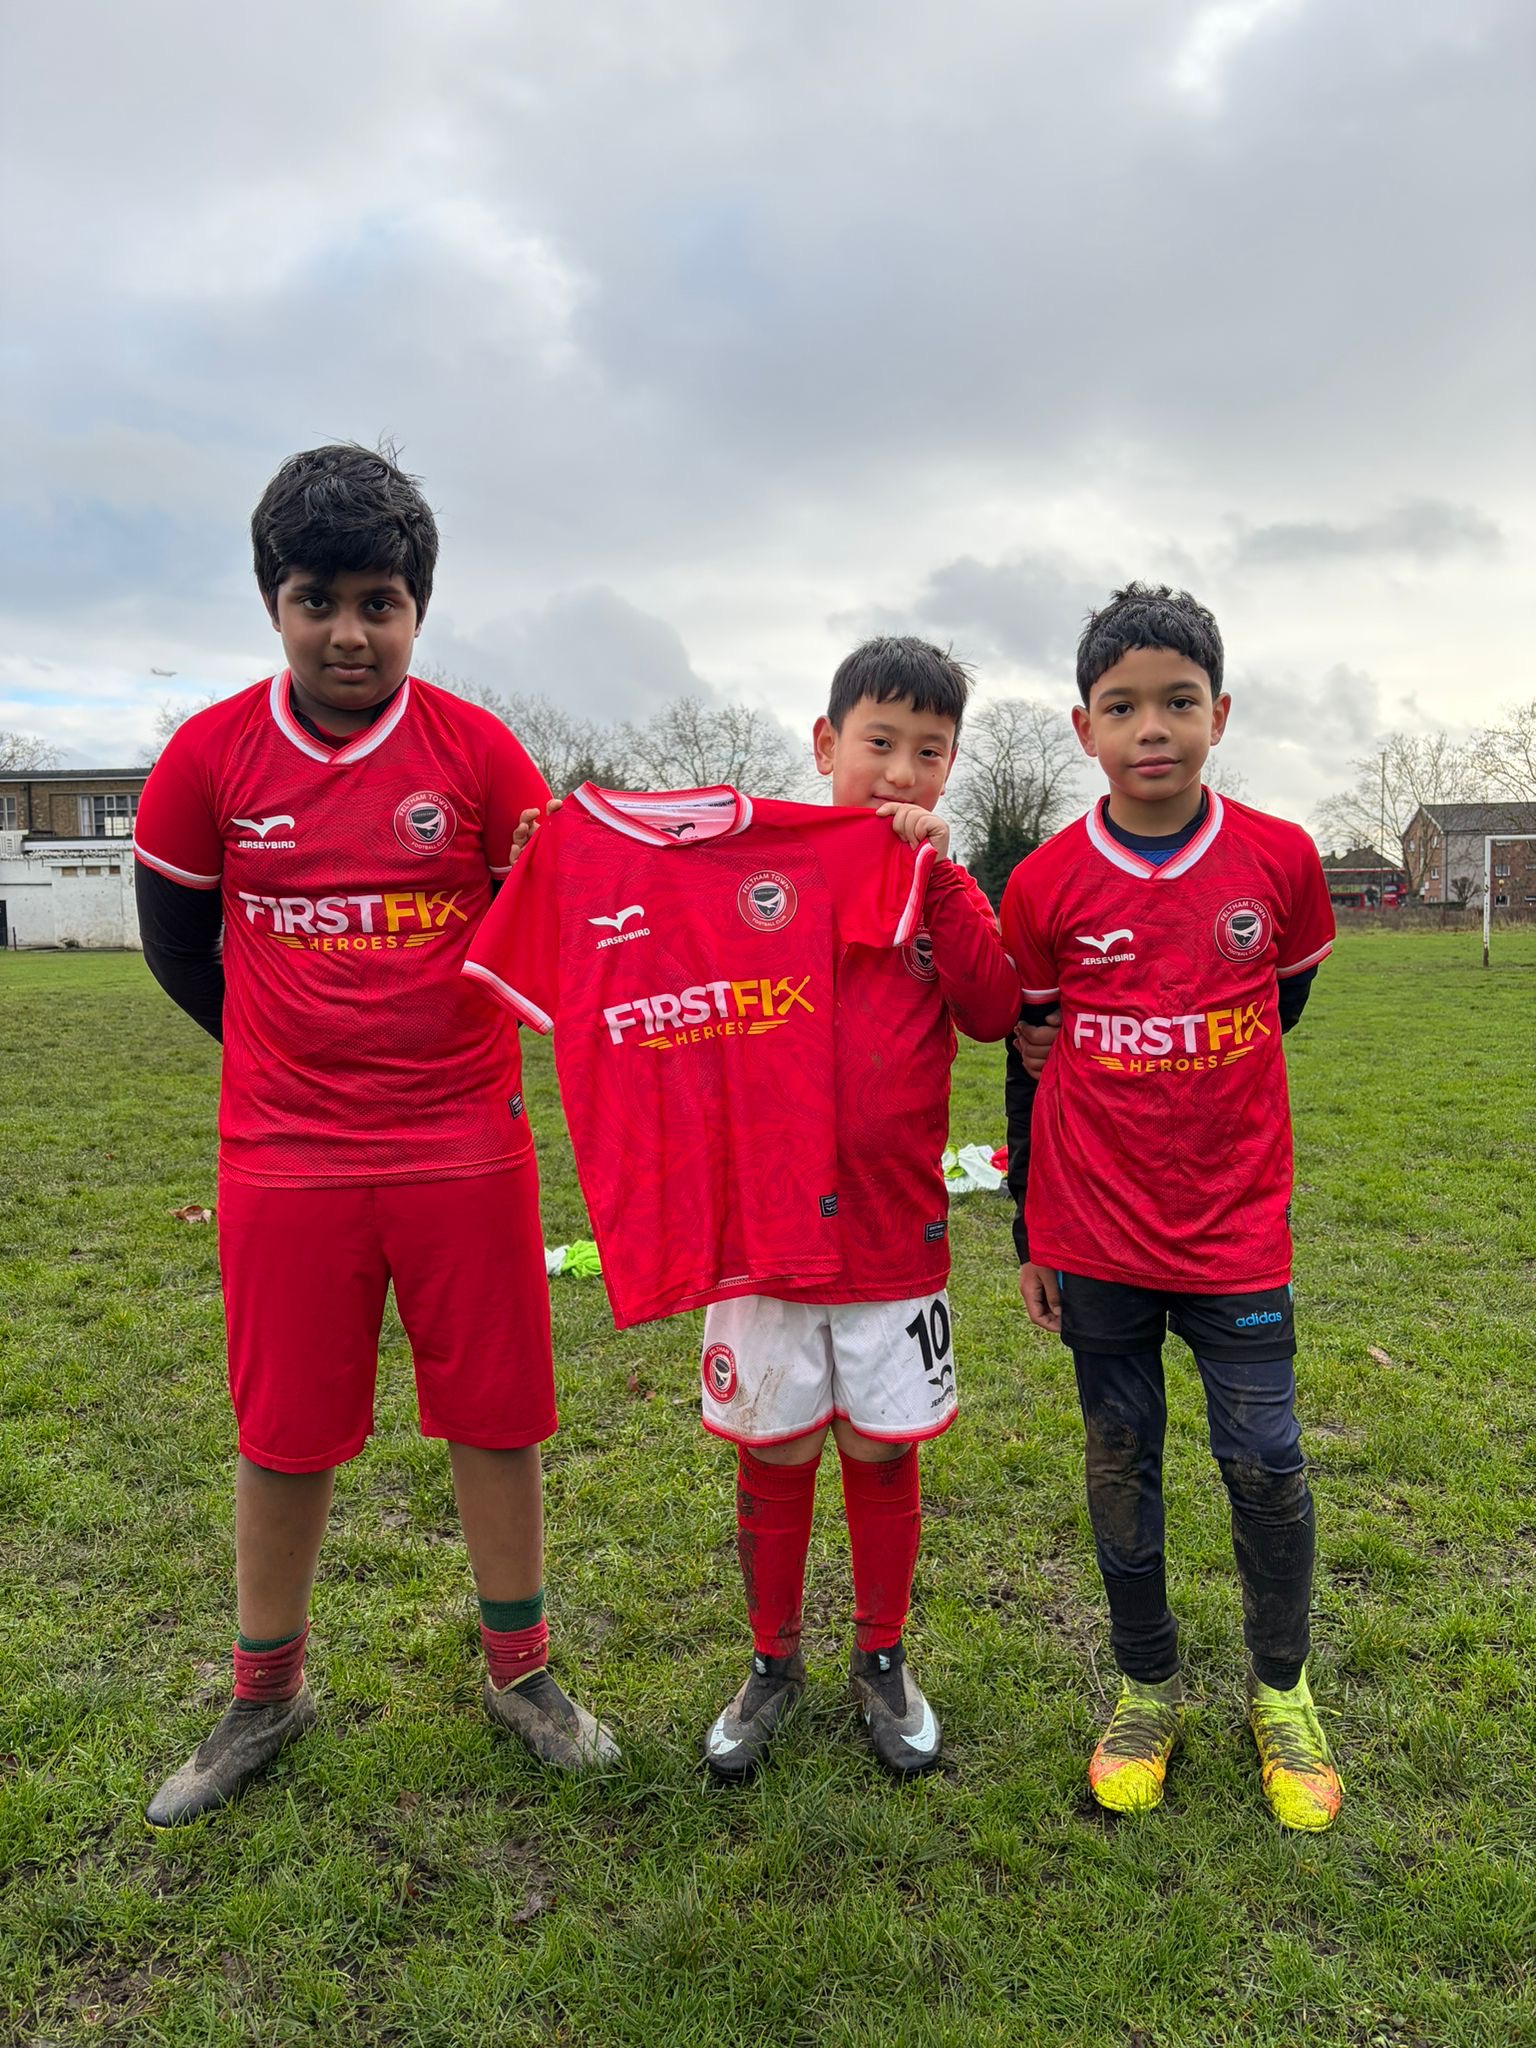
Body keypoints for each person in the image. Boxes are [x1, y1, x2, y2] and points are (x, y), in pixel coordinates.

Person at [133, 443, 614, 1829]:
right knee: (284, 1428)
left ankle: (522, 1672)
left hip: (465, 1142)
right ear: (272, 604)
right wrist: (287, 1056)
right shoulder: (206, 758)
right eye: (318, 600)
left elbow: (557, 925)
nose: (350, 631)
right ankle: (264, 1691)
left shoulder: (478, 754)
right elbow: (179, 948)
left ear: (418, 609)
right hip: (286, 1156)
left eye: (380, 603)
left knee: (498, 1411)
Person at [1002, 583, 1341, 1830]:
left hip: (1236, 1229)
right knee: (1119, 1457)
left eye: (1178, 702)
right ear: (1084, 726)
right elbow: (1026, 1057)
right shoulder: (1044, 882)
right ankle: (1147, 1685)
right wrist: (1030, 1226)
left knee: (1266, 1460)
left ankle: (1282, 1691)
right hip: (1097, 1231)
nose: (1153, 728)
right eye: (1123, 706)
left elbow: (1281, 1004)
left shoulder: (1282, 859)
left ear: (1220, 714)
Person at [694, 637, 1025, 1778]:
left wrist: (946, 880)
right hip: (769, 1231)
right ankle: (772, 1660)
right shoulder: (755, 870)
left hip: (894, 1230)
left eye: (930, 751)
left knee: (880, 1448)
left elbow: (993, 1008)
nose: (901, 770)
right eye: (880, 742)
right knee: (779, 1444)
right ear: (827, 743)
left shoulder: (939, 883)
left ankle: (881, 1657)